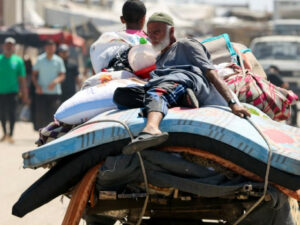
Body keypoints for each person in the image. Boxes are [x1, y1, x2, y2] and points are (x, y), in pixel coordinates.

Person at [113, 12, 250, 154]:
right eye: (150, 33)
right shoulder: (160, 58)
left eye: (157, 32)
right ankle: (183, 99)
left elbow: (211, 73)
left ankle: (152, 129)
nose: (152, 37)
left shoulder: (186, 44)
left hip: (187, 82)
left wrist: (233, 103)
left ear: (171, 31)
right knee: (121, 95)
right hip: (168, 86)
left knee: (160, 90)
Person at [0, 37, 29, 143]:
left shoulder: (18, 61)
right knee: (2, 113)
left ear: (13, 47)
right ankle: (4, 133)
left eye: (11, 45)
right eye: (7, 44)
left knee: (12, 113)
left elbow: (22, 79)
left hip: (13, 91)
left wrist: (25, 94)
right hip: (1, 92)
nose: (9, 46)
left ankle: (11, 134)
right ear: (3, 46)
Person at [32, 40, 66, 130]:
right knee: (41, 115)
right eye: (49, 47)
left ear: (55, 48)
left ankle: (52, 134)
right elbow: (34, 75)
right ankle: (42, 134)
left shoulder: (58, 60)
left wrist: (55, 81)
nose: (50, 49)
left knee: (53, 115)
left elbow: (62, 75)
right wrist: (37, 86)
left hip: (54, 92)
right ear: (45, 48)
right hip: (41, 92)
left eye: (52, 47)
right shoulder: (40, 59)